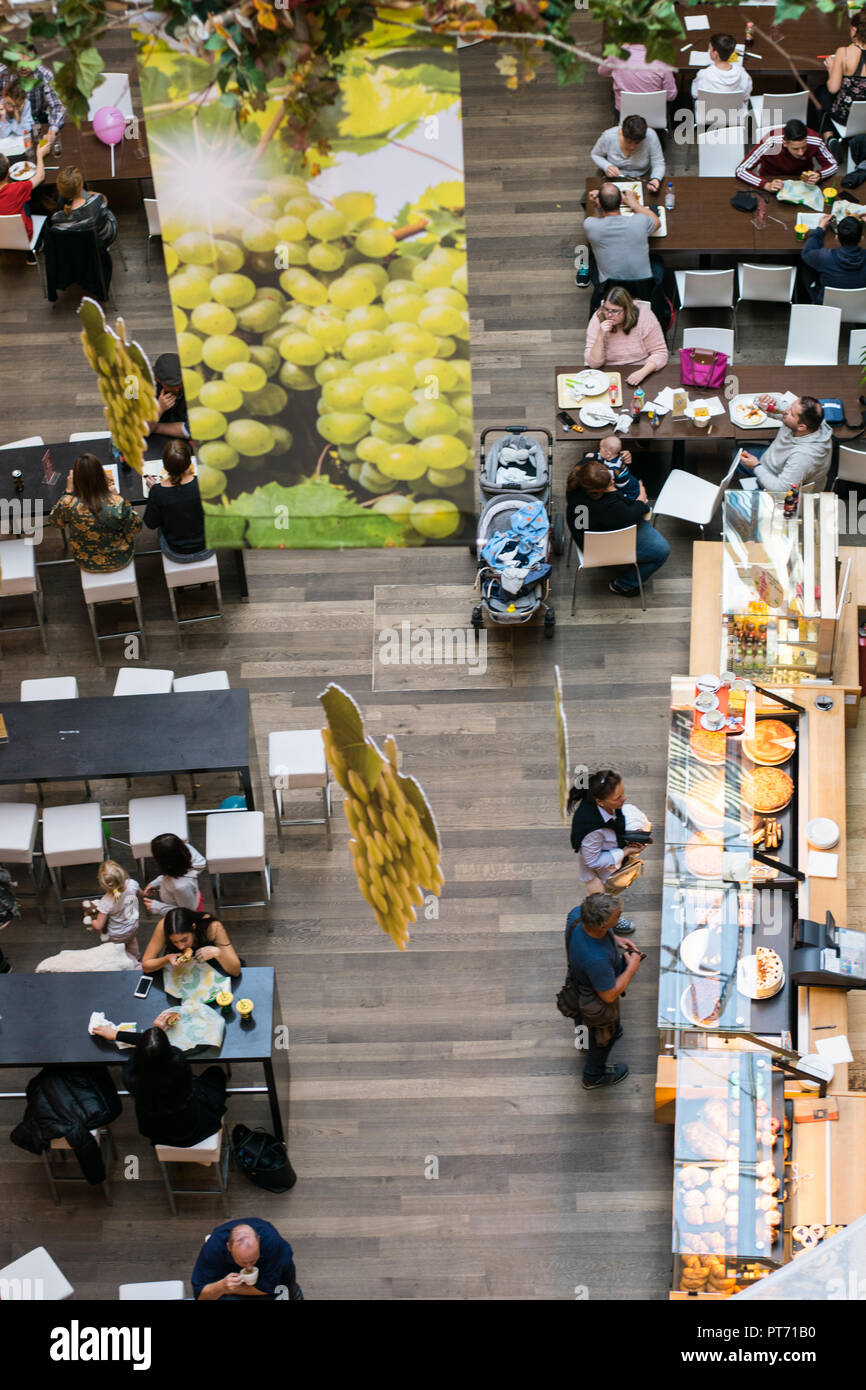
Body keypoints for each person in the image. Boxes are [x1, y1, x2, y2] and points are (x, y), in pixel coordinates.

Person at [92, 1010, 227, 1148]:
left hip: (157, 1131)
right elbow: (170, 1050)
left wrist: (117, 1034)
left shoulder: (130, 1076)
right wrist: (156, 1031)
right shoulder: (178, 1062)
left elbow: (144, 1055)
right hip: (194, 1125)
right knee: (215, 1072)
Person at [566, 892, 644, 1090]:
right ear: (602, 925)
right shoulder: (597, 960)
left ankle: (582, 1044)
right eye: (617, 917)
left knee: (580, 1018)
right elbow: (608, 994)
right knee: (603, 1038)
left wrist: (614, 938)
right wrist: (632, 967)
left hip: (576, 984)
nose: (620, 917)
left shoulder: (576, 915)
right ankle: (592, 1076)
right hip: (595, 999)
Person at [565, 457, 670, 597]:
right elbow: (637, 512)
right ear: (597, 490)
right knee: (662, 550)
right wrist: (641, 498)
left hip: (582, 536)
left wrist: (619, 455)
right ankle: (624, 584)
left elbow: (591, 458)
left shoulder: (578, 478)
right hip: (602, 550)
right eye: (609, 482)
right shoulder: (613, 508)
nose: (612, 481)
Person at [567, 770, 650, 934]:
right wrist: (625, 851)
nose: (624, 799)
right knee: (604, 899)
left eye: (622, 793)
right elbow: (592, 861)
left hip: (609, 853)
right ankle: (609, 922)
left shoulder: (607, 806)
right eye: (617, 798)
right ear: (600, 801)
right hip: (599, 866)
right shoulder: (591, 831)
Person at [47, 452, 142, 573]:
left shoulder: (68, 504)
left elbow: (55, 522)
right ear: (101, 475)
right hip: (120, 558)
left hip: (86, 561)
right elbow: (137, 527)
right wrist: (117, 496)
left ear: (75, 480)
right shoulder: (117, 503)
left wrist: (68, 492)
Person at [736, 395, 833, 493]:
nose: (786, 410)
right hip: (773, 458)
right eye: (791, 406)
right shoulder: (808, 421)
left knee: (735, 457)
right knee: (736, 452)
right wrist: (764, 400)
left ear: (802, 427)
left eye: (791, 413)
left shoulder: (804, 457)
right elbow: (776, 406)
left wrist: (756, 466)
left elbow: (781, 489)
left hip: (775, 478)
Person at [191, 1219, 302, 1301]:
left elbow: (268, 1287)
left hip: (275, 1280)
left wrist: (231, 1289)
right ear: (228, 1247)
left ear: (259, 1241)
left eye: (253, 1260)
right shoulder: (213, 1249)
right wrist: (221, 1286)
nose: (249, 1267)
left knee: (287, 1292)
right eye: (243, 1262)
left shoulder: (273, 1243)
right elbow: (200, 1296)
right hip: (230, 1284)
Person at [584, 284, 668, 387]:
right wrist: (600, 336)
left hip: (641, 367)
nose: (609, 315)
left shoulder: (644, 316)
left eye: (615, 311)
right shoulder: (598, 318)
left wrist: (642, 372)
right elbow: (594, 364)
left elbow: (660, 352)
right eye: (606, 309)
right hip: (608, 370)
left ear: (627, 310)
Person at [143, 439, 213, 562]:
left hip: (177, 553)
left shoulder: (158, 492)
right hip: (207, 548)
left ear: (164, 466)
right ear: (189, 462)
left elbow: (151, 523)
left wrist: (154, 489)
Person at [584, 182, 660, 291]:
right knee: (657, 260)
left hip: (610, 289)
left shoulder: (590, 225)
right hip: (643, 288)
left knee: (590, 258)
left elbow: (596, 218)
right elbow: (656, 222)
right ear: (621, 201)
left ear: (599, 203)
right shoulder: (640, 221)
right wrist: (634, 204)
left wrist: (598, 203)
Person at [736, 118, 837, 190]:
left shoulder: (815, 140)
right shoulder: (771, 142)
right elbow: (741, 170)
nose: (801, 153)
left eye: (804, 147)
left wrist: (819, 175)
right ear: (784, 143)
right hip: (772, 180)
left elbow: (833, 165)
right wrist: (765, 184)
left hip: (803, 183)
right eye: (795, 149)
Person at [141, 906, 241, 978]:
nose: (180, 947)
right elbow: (146, 965)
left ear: (193, 927)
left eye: (184, 939)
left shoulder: (212, 927)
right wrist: (166, 959)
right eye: (174, 942)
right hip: (179, 974)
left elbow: (236, 970)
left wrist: (218, 953)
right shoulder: (163, 926)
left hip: (212, 971)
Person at [590, 113, 665, 194]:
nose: (632, 147)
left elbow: (658, 163)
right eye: (629, 142)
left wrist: (655, 179)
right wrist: (606, 166)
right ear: (622, 133)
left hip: (643, 178)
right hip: (612, 177)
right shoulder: (608, 137)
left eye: (637, 142)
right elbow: (595, 154)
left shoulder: (651, 136)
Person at [800, 212, 866, 302]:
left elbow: (806, 253)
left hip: (829, 307)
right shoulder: (825, 257)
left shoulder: (825, 257)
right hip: (860, 306)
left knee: (805, 268)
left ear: (837, 238)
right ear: (861, 238)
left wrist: (820, 228)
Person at [597, 43, 677, 115]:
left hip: (624, 114)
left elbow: (602, 71)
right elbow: (671, 96)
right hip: (654, 114)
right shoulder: (662, 60)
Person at [0, 54, 66, 142]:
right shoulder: (2, 71)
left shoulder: (44, 74)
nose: (23, 67)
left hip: (35, 118)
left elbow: (58, 105)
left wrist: (52, 130)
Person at [84, 860, 141, 961]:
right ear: (122, 873)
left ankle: (124, 962)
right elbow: (141, 893)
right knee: (131, 942)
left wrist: (89, 919)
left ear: (103, 884)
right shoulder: (133, 884)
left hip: (116, 935)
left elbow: (99, 925)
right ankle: (136, 958)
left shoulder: (105, 902)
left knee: (115, 951)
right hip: (133, 927)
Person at [816, 13, 866, 124]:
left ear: (854, 29)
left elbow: (833, 88)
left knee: (821, 92)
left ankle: (829, 136)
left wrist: (831, 69)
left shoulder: (844, 52)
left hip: (846, 116)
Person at [50, 165, 117, 247]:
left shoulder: (57, 218)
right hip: (104, 238)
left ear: (59, 190)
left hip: (80, 247)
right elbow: (105, 200)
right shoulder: (98, 199)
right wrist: (87, 193)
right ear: (81, 186)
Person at [142, 832, 206, 915]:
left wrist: (159, 908)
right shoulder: (182, 856)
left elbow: (188, 914)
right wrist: (158, 882)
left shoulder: (181, 887)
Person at [0, 144, 45, 261]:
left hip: (2, 237)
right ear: (8, 172)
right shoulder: (16, 189)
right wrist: (40, 155)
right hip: (24, 237)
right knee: (26, 202)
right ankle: (37, 247)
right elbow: (40, 177)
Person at [691, 33, 752, 102]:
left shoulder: (703, 74)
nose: (709, 52)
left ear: (715, 53)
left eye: (710, 49)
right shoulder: (742, 72)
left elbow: (695, 94)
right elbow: (746, 96)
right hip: (735, 111)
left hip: (709, 111)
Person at [581, 436, 641, 503]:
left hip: (627, 485)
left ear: (608, 454)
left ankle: (632, 500)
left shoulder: (615, 466)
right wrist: (593, 455)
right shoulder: (611, 456)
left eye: (600, 449)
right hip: (625, 478)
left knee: (630, 496)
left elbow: (606, 476)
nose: (599, 450)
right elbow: (601, 455)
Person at [146, 352, 190, 440]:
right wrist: (158, 409)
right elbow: (134, 429)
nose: (177, 389)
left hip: (179, 436)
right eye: (172, 385)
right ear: (157, 379)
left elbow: (191, 429)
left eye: (180, 384)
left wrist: (155, 427)